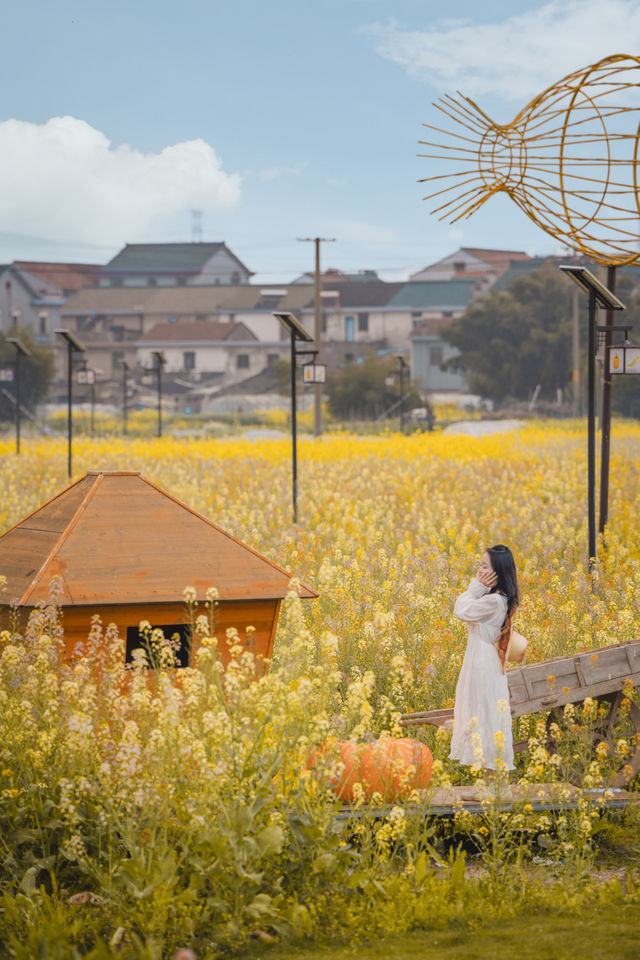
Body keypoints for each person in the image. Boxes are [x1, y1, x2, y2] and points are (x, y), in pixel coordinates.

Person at [449, 544, 519, 790]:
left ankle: (497, 787)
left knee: (488, 717)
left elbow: (460, 609)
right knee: (484, 717)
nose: (479, 571)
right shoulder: (496, 598)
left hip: (483, 664)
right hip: (481, 660)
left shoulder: (493, 601)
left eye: (484, 567)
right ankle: (492, 786)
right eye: (479, 565)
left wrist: (476, 586)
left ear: (497, 573)